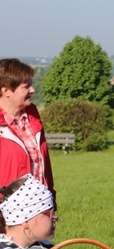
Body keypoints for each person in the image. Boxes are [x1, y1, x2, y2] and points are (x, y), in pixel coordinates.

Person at [0, 58, 56, 206]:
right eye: (26, 86)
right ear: (6, 91)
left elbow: (45, 166)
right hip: (8, 216)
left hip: (40, 211)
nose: (33, 90)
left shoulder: (33, 116)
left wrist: (51, 201)